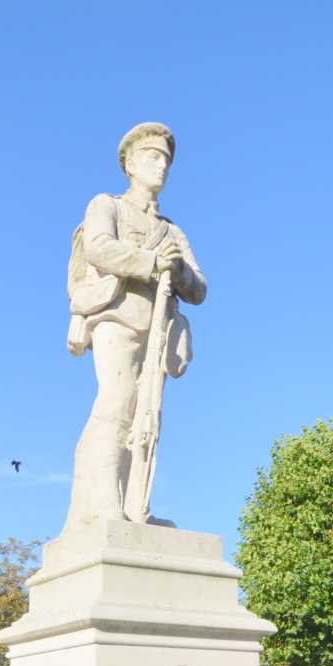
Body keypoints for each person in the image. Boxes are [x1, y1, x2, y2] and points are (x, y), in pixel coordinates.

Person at [65, 122, 207, 527]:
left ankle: (134, 506)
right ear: (130, 164)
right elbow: (98, 248)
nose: (161, 166)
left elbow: (199, 289)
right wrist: (151, 262)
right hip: (117, 316)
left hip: (159, 328)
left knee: (147, 417)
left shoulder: (172, 231)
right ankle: (104, 503)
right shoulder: (106, 206)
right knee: (117, 403)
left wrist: (177, 270)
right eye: (152, 157)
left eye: (166, 160)